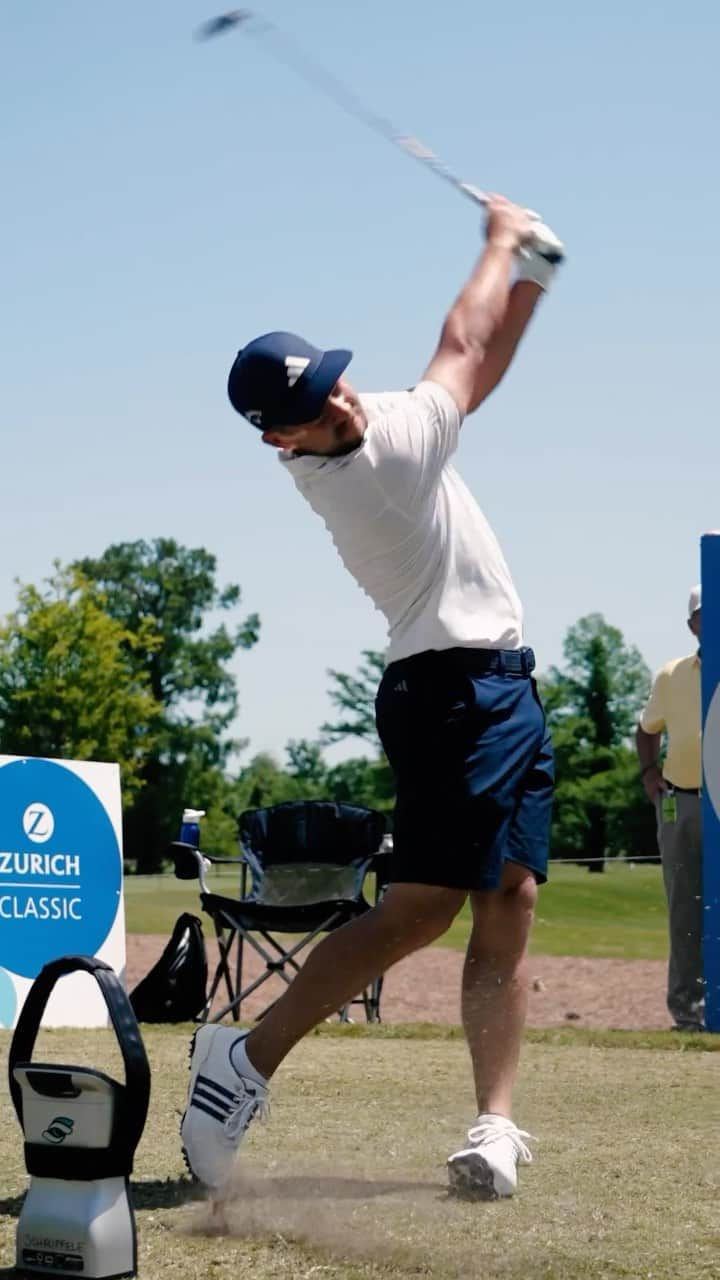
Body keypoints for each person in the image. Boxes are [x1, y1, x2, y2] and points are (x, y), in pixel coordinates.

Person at [181, 195, 563, 1200]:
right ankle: (244, 1058)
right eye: (315, 408)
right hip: (448, 693)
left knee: (510, 897)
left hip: (501, 685)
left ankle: (493, 1123)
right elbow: (464, 343)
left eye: (334, 384)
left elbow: (478, 357)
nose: (342, 404)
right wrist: (498, 245)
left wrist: (535, 275)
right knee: (422, 909)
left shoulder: (377, 418)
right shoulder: (376, 469)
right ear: (282, 441)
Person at [636, 586, 704, 1031]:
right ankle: (688, 1013)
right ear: (692, 624)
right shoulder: (673, 674)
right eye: (707, 613)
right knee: (685, 908)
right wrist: (649, 772)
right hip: (682, 800)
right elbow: (647, 730)